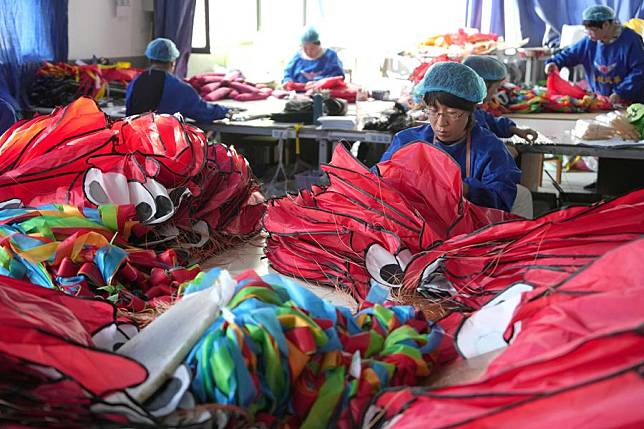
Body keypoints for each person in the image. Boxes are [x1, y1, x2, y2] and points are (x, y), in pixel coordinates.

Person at [379, 62, 522, 213]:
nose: (441, 123)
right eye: (433, 111)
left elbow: (501, 199)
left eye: (453, 113)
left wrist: (465, 189)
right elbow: (379, 183)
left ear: (470, 111)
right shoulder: (406, 142)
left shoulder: (490, 150)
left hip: (471, 232)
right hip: (415, 227)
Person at [544, 5, 644, 104]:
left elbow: (639, 71)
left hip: (630, 102)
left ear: (605, 25)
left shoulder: (631, 40)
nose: (589, 34)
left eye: (593, 30)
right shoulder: (589, 41)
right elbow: (569, 55)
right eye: (587, 30)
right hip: (601, 101)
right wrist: (554, 63)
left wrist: (620, 92)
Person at [126, 38, 229, 121]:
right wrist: (225, 110)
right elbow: (204, 113)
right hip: (163, 143)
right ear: (172, 62)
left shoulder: (135, 81)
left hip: (132, 141)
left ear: (150, 59)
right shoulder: (180, 89)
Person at [462, 56, 538, 142]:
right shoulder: (463, 116)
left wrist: (515, 130)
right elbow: (480, 143)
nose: (495, 93)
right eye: (496, 88)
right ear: (483, 87)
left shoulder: (473, 110)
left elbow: (491, 122)